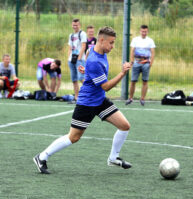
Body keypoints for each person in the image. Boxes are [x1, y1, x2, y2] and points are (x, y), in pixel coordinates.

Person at [33, 26, 133, 174]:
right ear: (101, 40)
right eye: (111, 43)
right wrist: (123, 72)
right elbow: (105, 86)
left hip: (99, 100)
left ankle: (113, 158)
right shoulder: (94, 61)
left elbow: (88, 59)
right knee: (73, 137)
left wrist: (86, 71)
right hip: (86, 103)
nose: (112, 46)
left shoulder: (92, 50)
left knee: (124, 126)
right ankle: (41, 157)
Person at [125, 25, 156, 106]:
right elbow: (132, 51)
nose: (144, 33)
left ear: (147, 32)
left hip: (146, 64)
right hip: (136, 63)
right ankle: (130, 98)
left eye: (145, 31)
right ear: (140, 31)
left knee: (145, 81)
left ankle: (142, 99)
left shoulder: (150, 41)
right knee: (133, 81)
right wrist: (132, 62)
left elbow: (153, 53)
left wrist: (150, 64)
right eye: (142, 31)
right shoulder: (135, 40)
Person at [68, 18, 87, 103]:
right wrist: (68, 57)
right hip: (71, 59)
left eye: (76, 25)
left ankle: (90, 93)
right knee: (74, 79)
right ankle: (76, 97)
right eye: (73, 25)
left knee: (81, 77)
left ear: (79, 25)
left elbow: (83, 46)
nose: (75, 26)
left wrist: (79, 58)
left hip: (79, 59)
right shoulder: (71, 35)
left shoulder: (82, 34)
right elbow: (70, 47)